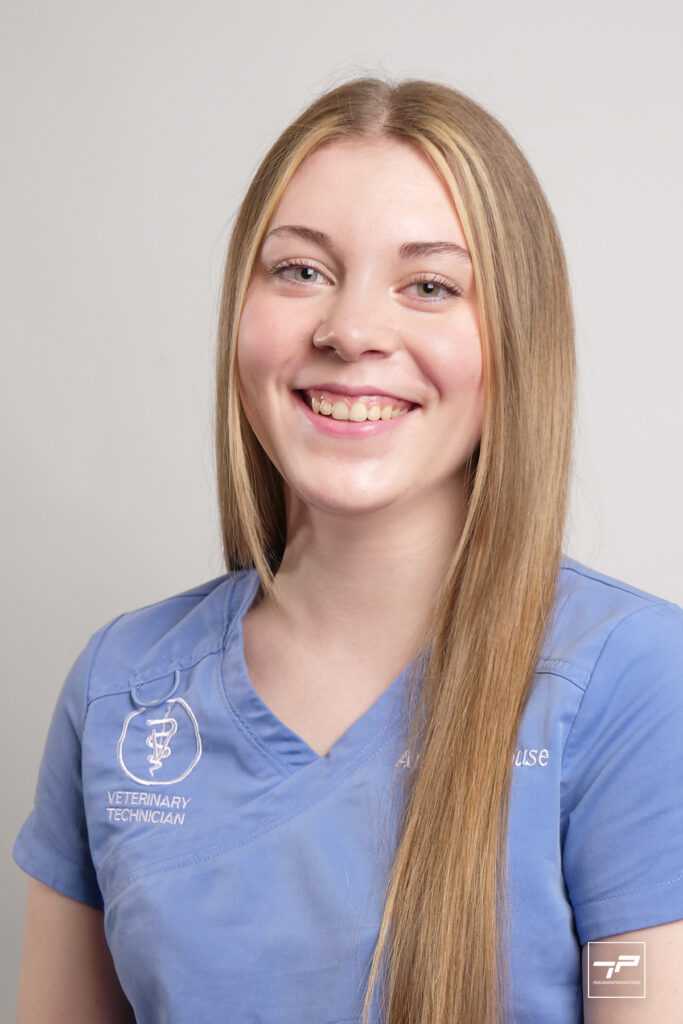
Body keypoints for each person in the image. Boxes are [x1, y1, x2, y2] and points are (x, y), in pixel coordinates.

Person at [13, 75, 683, 1024]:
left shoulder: (636, 684)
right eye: (300, 271)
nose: (350, 330)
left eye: (430, 286)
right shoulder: (121, 684)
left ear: (516, 343)